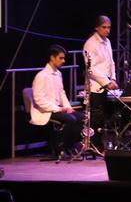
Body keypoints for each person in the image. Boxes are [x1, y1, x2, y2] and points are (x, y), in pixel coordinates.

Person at [30, 44, 84, 153]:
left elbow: (61, 93)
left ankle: (70, 144)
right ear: (52, 57)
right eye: (61, 58)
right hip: (45, 110)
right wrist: (59, 109)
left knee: (82, 117)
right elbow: (39, 99)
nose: (63, 61)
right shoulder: (41, 76)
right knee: (70, 119)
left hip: (58, 108)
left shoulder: (58, 74)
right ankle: (59, 145)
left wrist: (67, 107)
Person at [82, 16, 118, 145]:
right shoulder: (90, 44)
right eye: (104, 27)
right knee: (97, 116)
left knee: (106, 115)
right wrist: (106, 82)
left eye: (109, 27)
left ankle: (103, 143)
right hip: (95, 86)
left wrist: (113, 78)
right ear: (96, 28)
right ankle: (94, 144)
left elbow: (111, 62)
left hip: (107, 84)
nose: (107, 30)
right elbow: (91, 68)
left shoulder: (107, 42)